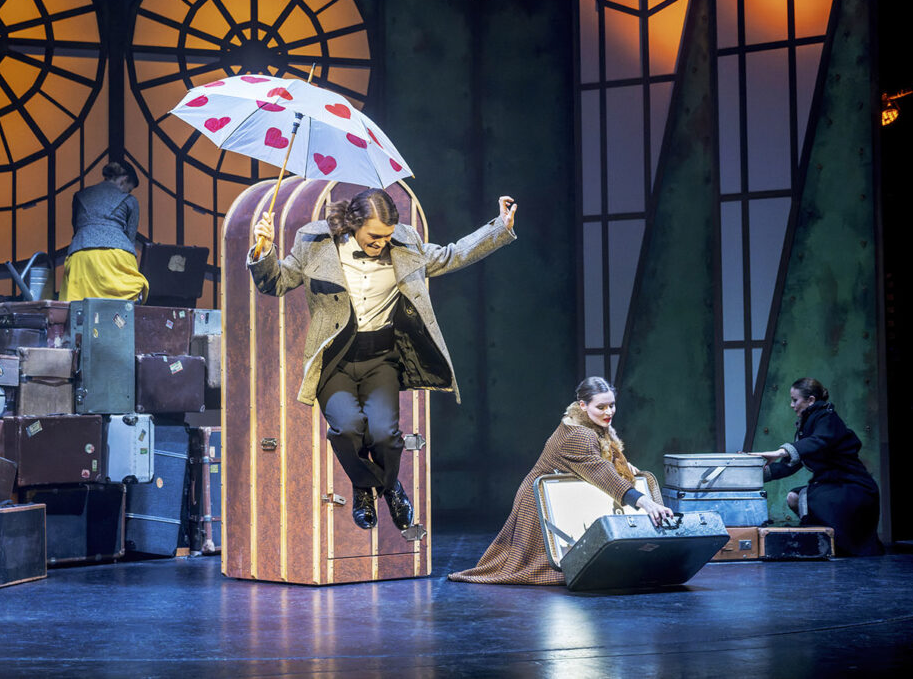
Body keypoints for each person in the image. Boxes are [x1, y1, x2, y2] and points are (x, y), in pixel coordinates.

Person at [249, 188, 516, 530]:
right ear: (353, 223)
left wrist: (499, 228)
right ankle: (379, 487)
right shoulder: (315, 243)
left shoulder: (404, 245)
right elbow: (275, 283)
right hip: (335, 358)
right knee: (346, 429)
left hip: (381, 357)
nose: (381, 243)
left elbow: (452, 255)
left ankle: (379, 487)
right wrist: (264, 250)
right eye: (374, 236)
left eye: (387, 236)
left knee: (385, 435)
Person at [448, 376, 673, 585]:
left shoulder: (590, 424)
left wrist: (622, 464)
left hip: (559, 495)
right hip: (541, 502)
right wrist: (645, 502)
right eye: (601, 407)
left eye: (611, 405)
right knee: (553, 567)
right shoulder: (579, 435)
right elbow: (601, 472)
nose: (608, 412)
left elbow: (605, 456)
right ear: (583, 405)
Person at [750, 377, 884, 556]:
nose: (792, 405)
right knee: (794, 497)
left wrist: (780, 452)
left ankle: (827, 544)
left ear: (811, 400)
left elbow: (818, 441)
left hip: (851, 486)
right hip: (832, 485)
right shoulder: (808, 423)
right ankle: (822, 543)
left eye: (795, 400)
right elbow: (790, 465)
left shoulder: (827, 418)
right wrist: (754, 474)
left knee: (808, 498)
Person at [61, 161, 149, 303]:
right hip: (117, 256)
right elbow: (131, 237)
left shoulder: (80, 196)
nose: (127, 192)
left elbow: (76, 228)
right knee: (123, 306)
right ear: (124, 179)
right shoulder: (130, 200)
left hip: (82, 254)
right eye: (129, 189)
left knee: (78, 305)